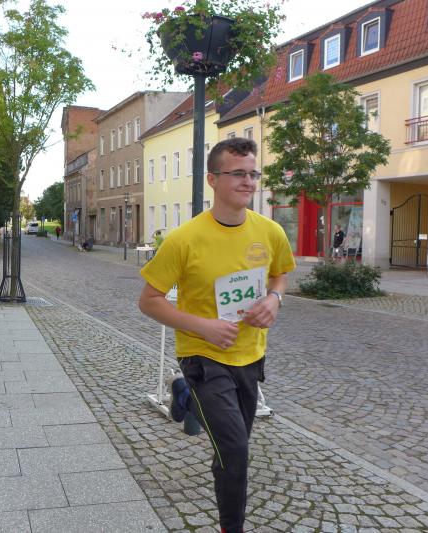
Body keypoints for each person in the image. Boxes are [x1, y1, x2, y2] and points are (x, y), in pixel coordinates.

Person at [138, 138, 295, 533]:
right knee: (236, 450)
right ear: (212, 179)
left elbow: (280, 275)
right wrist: (203, 325)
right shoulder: (184, 239)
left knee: (230, 447)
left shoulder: (270, 231)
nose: (248, 181)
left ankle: (185, 396)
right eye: (238, 173)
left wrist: (275, 299)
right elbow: (149, 301)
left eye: (253, 173)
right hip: (202, 356)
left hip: (250, 356)